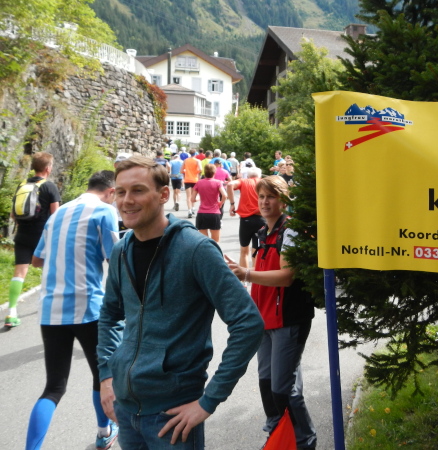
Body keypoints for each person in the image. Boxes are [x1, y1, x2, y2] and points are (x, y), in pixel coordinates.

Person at [97, 155, 264, 449]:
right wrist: (107, 375)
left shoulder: (196, 249)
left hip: (172, 414)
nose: (126, 200)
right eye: (120, 192)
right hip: (126, 408)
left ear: (164, 194)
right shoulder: (121, 250)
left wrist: (209, 400)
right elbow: (110, 315)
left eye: (138, 190)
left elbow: (248, 323)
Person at [26, 171, 119, 450]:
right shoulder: (105, 211)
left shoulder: (58, 214)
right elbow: (115, 259)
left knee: (54, 387)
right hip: (88, 306)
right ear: (111, 191)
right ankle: (104, 432)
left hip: (50, 309)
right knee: (101, 375)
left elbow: (36, 260)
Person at [228, 176, 316, 450]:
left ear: (283, 200)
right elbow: (260, 274)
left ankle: (304, 441)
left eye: (271, 197)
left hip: (288, 318)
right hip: (263, 319)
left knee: (283, 389)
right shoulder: (261, 232)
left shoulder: (291, 232)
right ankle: (278, 436)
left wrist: (246, 273)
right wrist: (239, 275)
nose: (265, 202)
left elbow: (287, 276)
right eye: (262, 197)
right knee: (267, 386)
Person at [4, 152, 60, 328]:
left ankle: (11, 312)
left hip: (22, 235)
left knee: (19, 273)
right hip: (42, 236)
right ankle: (49, 307)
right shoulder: (49, 187)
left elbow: (13, 215)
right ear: (48, 168)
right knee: (49, 270)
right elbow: (56, 216)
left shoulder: (22, 185)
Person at [227, 167, 265, 268]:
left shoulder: (243, 181)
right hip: (261, 219)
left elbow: (230, 184)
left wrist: (232, 204)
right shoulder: (263, 182)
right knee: (256, 251)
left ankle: (244, 276)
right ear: (259, 175)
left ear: (248, 175)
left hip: (246, 220)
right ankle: (256, 275)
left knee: (244, 251)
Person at [193, 164, 227, 242]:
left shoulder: (199, 183)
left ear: (204, 172)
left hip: (202, 214)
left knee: (204, 241)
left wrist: (199, 198)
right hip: (214, 213)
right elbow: (225, 195)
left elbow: (192, 199)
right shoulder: (218, 182)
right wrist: (221, 203)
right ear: (214, 173)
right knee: (215, 241)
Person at [182, 150, 202, 218]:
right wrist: (196, 172)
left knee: (188, 196)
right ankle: (193, 207)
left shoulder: (185, 160)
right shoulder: (197, 161)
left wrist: (186, 172)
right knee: (194, 195)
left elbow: (181, 170)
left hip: (187, 179)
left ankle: (189, 210)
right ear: (195, 154)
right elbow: (201, 169)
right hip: (195, 180)